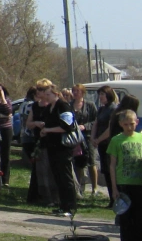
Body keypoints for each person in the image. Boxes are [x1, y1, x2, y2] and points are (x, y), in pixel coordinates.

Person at [107, 109, 142, 241]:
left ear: (137, 122)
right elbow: (112, 165)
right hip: (124, 183)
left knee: (140, 219)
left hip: (139, 184)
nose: (129, 127)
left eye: (132, 124)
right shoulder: (116, 140)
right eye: (125, 124)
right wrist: (114, 188)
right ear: (120, 124)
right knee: (126, 219)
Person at [31, 79, 78, 217]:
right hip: (51, 146)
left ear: (56, 94)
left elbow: (66, 127)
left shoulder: (63, 106)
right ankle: (62, 205)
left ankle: (71, 206)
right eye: (45, 94)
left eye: (49, 94)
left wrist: (49, 130)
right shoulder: (49, 108)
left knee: (65, 176)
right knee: (57, 176)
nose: (46, 96)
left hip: (63, 147)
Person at [70, 85, 99, 196]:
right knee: (78, 162)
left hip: (87, 137)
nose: (76, 93)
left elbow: (96, 121)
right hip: (74, 137)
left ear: (83, 92)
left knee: (91, 161)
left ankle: (94, 188)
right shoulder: (69, 105)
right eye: (74, 91)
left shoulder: (90, 105)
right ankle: (79, 187)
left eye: (78, 91)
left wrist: (85, 126)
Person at [92, 86, 118, 205]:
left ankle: (115, 197)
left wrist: (98, 139)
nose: (100, 97)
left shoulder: (113, 109)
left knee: (110, 170)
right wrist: (93, 138)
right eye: (99, 95)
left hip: (109, 143)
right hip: (101, 143)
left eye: (102, 94)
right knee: (105, 171)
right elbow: (96, 124)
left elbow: (110, 128)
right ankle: (111, 198)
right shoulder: (102, 109)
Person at [0, 83, 14, 186]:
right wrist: (1, 115)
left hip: (6, 129)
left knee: (5, 154)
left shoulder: (7, 101)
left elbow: (9, 112)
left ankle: (5, 179)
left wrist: (3, 100)